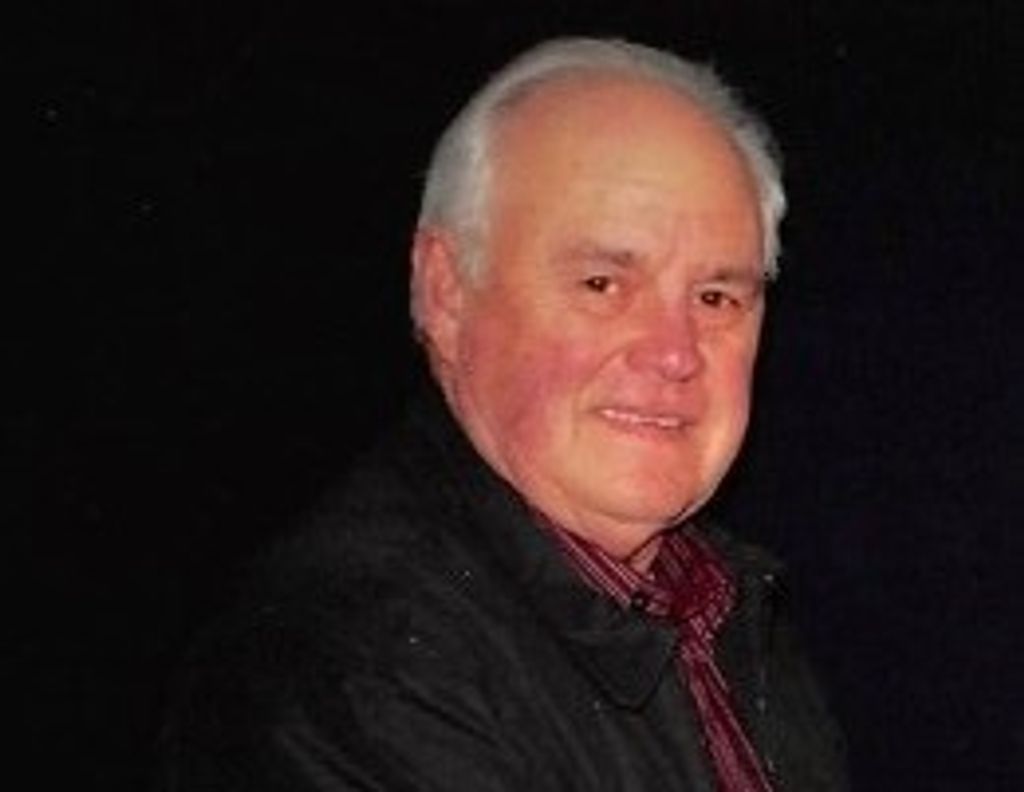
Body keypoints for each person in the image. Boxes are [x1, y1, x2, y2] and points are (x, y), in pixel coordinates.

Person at [157, 37, 848, 790]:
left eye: (716, 298)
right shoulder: (358, 668)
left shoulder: (722, 609)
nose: (674, 353)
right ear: (447, 291)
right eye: (602, 285)